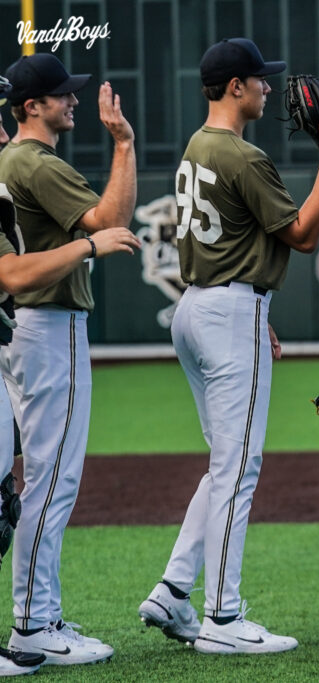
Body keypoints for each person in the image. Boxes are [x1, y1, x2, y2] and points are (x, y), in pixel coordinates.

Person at [137, 37, 319, 655]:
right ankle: (224, 618)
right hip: (229, 312)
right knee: (239, 466)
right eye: (258, 80)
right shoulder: (243, 155)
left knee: (222, 463)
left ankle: (175, 589)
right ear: (234, 87)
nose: (266, 89)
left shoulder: (197, 146)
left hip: (199, 306)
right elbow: (305, 236)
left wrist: (257, 308)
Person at [0, 53, 136, 665]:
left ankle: (41, 614)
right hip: (50, 324)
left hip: (18, 329)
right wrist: (125, 145)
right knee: (51, 480)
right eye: (62, 95)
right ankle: (32, 624)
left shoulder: (7, 159)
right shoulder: (34, 159)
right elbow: (109, 222)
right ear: (32, 106)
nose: (73, 101)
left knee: (24, 481)